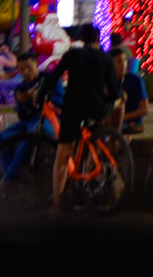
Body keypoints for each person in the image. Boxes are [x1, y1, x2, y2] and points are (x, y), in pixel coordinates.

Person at [49, 24, 117, 216]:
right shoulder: (106, 58)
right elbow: (113, 90)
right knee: (91, 140)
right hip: (96, 109)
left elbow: (54, 77)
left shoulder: (72, 55)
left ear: (81, 39)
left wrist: (42, 92)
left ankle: (57, 204)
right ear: (97, 40)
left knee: (62, 156)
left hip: (74, 108)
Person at [0, 52, 52, 182]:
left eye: (29, 68)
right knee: (2, 138)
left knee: (27, 139)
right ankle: (11, 172)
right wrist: (22, 101)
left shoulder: (47, 80)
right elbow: (22, 115)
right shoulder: (21, 88)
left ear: (36, 65)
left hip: (45, 121)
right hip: (28, 121)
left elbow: (58, 100)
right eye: (21, 69)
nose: (26, 72)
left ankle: (9, 179)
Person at [108, 47, 149, 136]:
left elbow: (144, 109)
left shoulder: (135, 80)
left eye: (125, 61)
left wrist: (122, 118)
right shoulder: (108, 81)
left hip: (130, 121)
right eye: (119, 61)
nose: (123, 64)